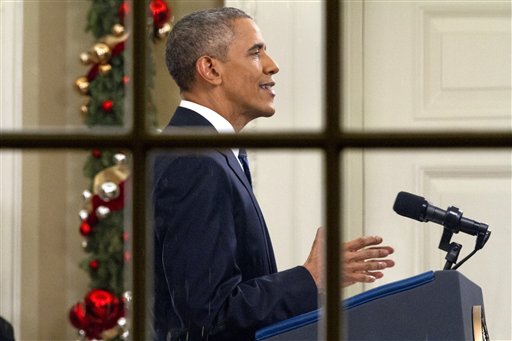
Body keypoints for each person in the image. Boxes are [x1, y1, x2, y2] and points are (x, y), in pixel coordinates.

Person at [152, 7, 395, 341]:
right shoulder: (195, 162)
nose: (272, 65)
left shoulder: (211, 154)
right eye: (256, 52)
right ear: (210, 69)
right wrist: (308, 279)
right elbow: (210, 315)